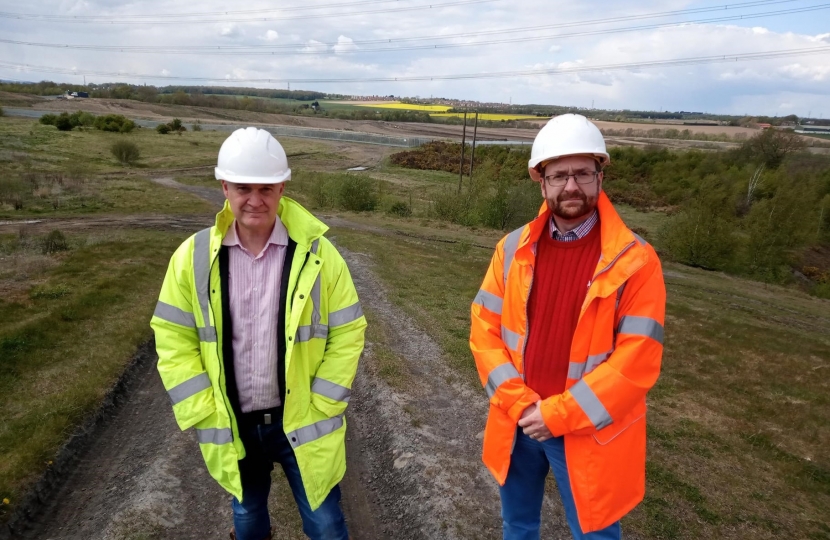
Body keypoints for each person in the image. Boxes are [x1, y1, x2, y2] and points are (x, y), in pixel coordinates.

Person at [151, 127, 366, 540]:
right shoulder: (191, 258)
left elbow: (348, 331)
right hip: (234, 422)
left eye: (266, 188)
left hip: (301, 421)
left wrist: (323, 401)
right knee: (248, 521)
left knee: (326, 525)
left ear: (282, 186)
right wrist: (201, 406)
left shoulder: (321, 257)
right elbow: (173, 335)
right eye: (243, 187)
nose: (255, 199)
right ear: (224, 187)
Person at [470, 114, 666, 540]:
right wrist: (522, 406)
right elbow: (483, 332)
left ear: (600, 176)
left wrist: (558, 415)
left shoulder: (636, 261)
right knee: (517, 527)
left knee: (594, 534)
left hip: (586, 430)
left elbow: (637, 362)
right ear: (541, 183)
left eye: (583, 173)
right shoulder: (511, 249)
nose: (571, 186)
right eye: (559, 175)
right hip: (519, 421)